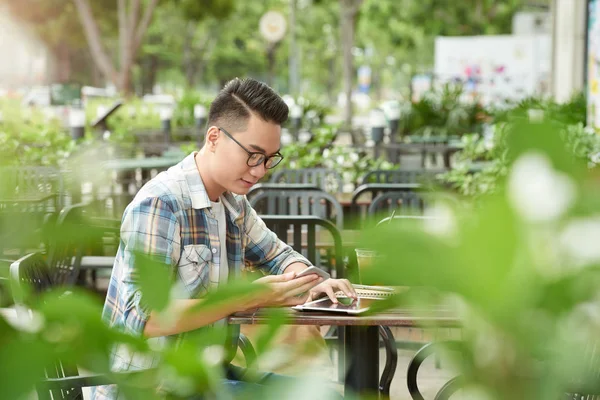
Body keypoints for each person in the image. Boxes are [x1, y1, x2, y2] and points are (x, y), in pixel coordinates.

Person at [93, 78, 356, 400]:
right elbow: (145, 317)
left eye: (269, 158)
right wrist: (245, 297)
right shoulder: (162, 202)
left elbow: (277, 255)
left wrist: (312, 279)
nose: (260, 170)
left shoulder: (233, 202)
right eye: (253, 155)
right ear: (214, 138)